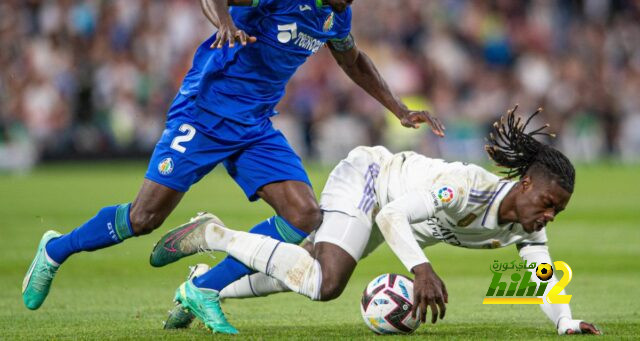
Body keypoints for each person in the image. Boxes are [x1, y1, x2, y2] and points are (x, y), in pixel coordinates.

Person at [21, 0, 445, 334]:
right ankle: (55, 250)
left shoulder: (336, 16)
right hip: (204, 113)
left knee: (303, 216)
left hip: (254, 126)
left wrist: (399, 109)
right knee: (144, 217)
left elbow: (353, 60)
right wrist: (224, 22)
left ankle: (204, 288)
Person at [152, 106, 600, 335]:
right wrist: (420, 268)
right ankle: (216, 233)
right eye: (546, 202)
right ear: (524, 185)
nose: (549, 215)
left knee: (298, 273)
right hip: (370, 181)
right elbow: (391, 215)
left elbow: (540, 276)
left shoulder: (529, 226)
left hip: (387, 207)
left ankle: (201, 284)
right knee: (324, 284)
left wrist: (565, 321)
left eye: (557, 210)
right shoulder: (466, 188)